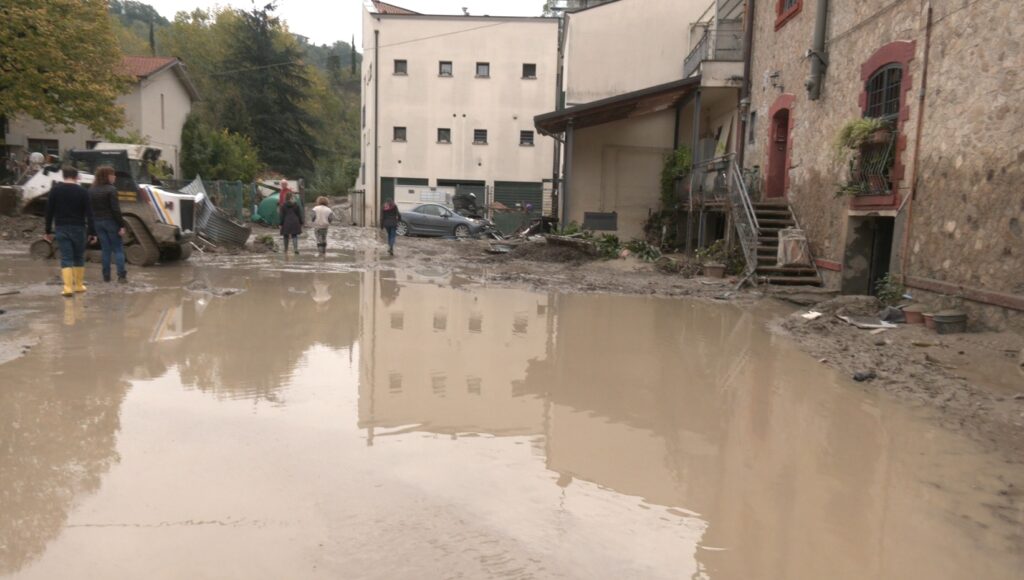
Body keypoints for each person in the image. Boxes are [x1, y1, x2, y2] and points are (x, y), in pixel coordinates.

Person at [44, 167, 96, 296]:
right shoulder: (83, 192)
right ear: (76, 176)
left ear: (63, 176)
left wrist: (47, 231)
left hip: (61, 227)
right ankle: (78, 285)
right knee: (78, 257)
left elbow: (49, 212)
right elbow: (90, 214)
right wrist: (92, 232)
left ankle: (67, 288)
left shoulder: (55, 190)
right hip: (79, 228)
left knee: (66, 257)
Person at [88, 166, 127, 283]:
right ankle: (121, 276)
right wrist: (121, 225)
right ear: (107, 176)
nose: (114, 177)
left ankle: (106, 277)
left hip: (98, 223)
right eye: (112, 174)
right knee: (118, 249)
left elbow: (90, 210)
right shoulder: (111, 190)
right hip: (111, 222)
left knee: (105, 250)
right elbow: (115, 209)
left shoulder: (91, 190)